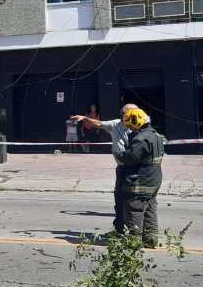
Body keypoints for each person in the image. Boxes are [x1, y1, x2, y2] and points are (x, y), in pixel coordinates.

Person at [71, 103, 141, 235]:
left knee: (135, 202)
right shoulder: (116, 124)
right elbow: (98, 124)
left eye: (124, 112)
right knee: (119, 200)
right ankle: (119, 230)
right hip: (122, 168)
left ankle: (136, 233)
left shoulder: (141, 126)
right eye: (122, 111)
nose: (122, 114)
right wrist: (84, 118)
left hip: (137, 169)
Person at [117, 107, 165, 248]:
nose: (130, 129)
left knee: (134, 210)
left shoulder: (141, 139)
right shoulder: (155, 134)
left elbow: (131, 157)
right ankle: (151, 240)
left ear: (136, 121)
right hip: (154, 179)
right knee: (149, 209)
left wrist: (120, 155)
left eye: (131, 126)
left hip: (141, 180)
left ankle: (133, 242)